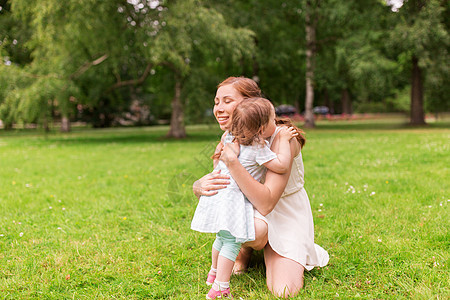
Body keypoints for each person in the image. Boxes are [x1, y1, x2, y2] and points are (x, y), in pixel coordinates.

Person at [193, 76, 329, 298]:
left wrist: (233, 163)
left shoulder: (282, 138)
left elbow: (266, 203)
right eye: (216, 101)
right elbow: (223, 182)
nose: (219, 108)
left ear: (250, 103)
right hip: (249, 207)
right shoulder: (229, 136)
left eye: (227, 101)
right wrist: (198, 186)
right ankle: (243, 249)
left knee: (283, 291)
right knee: (232, 212)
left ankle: (256, 245)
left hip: (282, 211)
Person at [191, 97, 298, 299]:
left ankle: (213, 273)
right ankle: (221, 287)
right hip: (234, 199)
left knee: (221, 238)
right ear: (259, 130)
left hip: (220, 195)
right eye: (273, 121)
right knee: (231, 241)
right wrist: (282, 140)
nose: (276, 125)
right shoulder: (258, 147)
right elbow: (281, 166)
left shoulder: (229, 138)